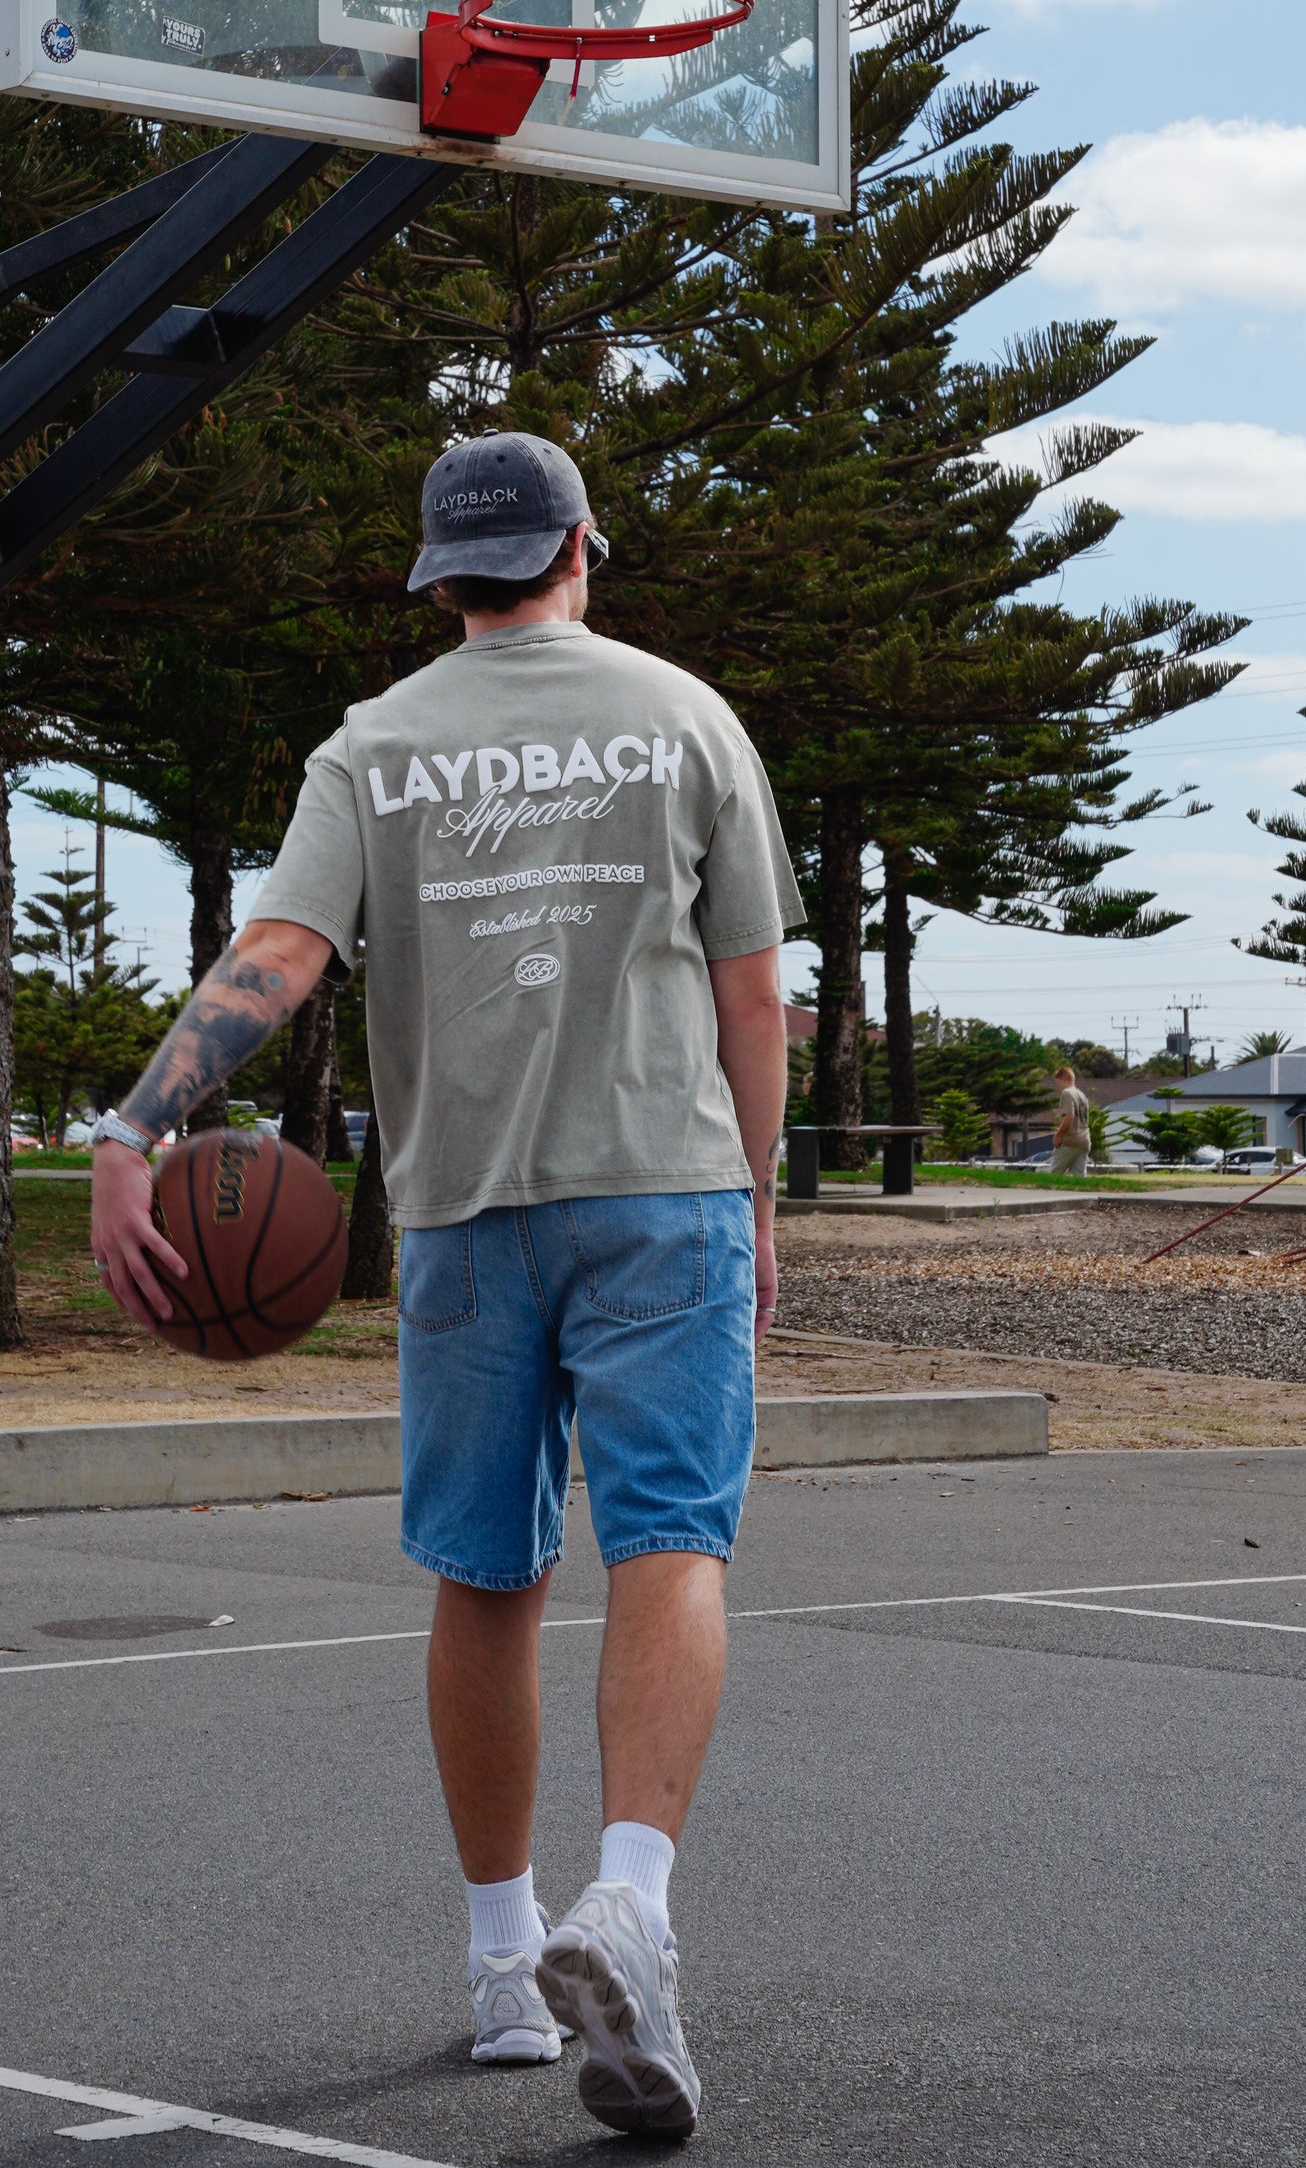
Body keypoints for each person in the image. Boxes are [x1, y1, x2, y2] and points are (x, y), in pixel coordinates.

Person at [89, 432, 800, 2138]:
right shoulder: (687, 713)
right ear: (580, 546)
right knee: (670, 1547)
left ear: (438, 577)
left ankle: (501, 1966)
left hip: (466, 1213)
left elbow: (279, 955)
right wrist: (760, 1200)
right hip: (660, 1192)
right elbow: (755, 992)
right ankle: (628, 1897)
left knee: (487, 1573)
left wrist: (137, 1120)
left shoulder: (374, 744)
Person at [1048, 1064, 1091, 1177]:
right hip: (1084, 1140)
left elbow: (1069, 1116)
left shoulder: (1067, 1093)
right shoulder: (1082, 1095)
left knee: (1054, 1173)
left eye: (1059, 1082)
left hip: (1070, 1140)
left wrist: (1058, 1135)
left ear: (1064, 1079)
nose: (1059, 1086)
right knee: (1080, 1176)